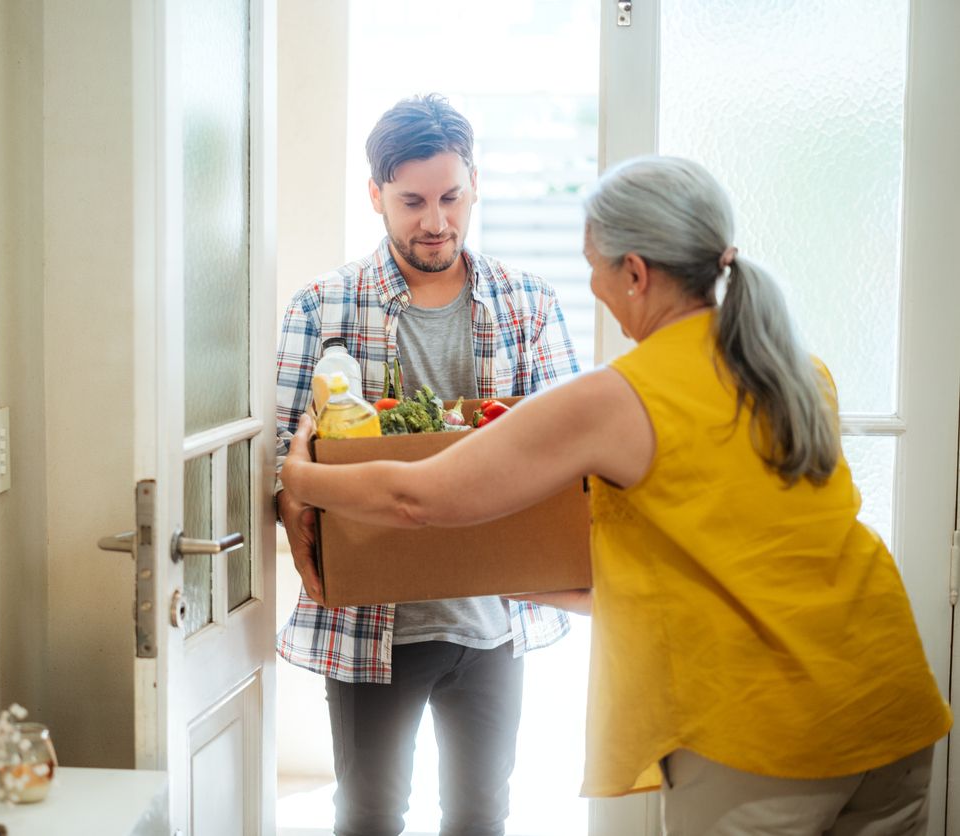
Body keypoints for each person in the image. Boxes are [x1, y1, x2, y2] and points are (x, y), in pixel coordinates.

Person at [280, 155, 952, 834]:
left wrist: (300, 476)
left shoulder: (619, 397)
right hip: (888, 693)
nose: (593, 285)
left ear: (635, 272)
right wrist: (520, 578)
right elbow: (714, 554)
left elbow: (418, 497)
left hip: (765, 725)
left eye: (594, 264)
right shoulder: (797, 370)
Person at [274, 93, 581, 836]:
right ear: (375, 193)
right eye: (412, 200)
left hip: (493, 619)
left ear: (474, 185)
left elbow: (572, 465)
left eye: (451, 197)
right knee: (371, 817)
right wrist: (313, 567)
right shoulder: (322, 307)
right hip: (372, 622)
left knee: (480, 816)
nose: (436, 221)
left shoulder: (528, 305)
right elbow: (284, 474)